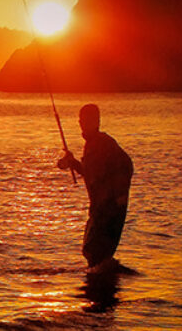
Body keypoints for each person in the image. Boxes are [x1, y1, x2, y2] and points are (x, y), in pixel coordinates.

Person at [57, 104, 134, 271]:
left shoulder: (105, 144)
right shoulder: (92, 144)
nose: (82, 124)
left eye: (86, 120)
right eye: (81, 120)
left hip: (109, 211)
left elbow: (126, 166)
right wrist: (73, 162)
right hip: (99, 210)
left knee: (96, 253)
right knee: (91, 252)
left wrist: (117, 197)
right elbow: (90, 172)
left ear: (96, 121)